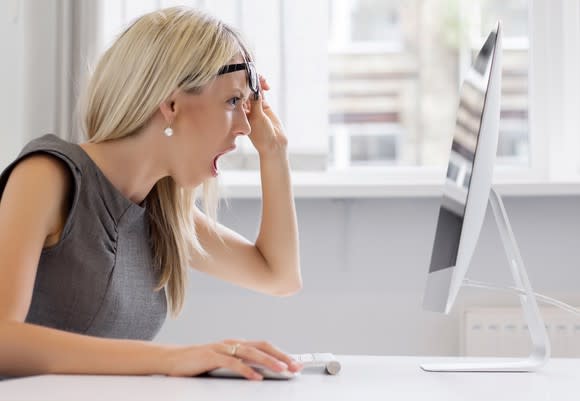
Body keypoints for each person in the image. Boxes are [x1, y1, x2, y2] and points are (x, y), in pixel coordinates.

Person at [0, 6, 302, 381]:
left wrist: (274, 154)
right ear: (172, 104)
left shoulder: (161, 213)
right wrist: (172, 359)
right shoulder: (48, 176)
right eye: (232, 101)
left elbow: (279, 277)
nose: (245, 127)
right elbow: (2, 340)